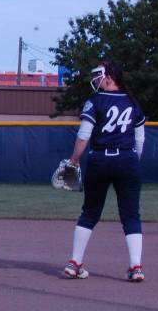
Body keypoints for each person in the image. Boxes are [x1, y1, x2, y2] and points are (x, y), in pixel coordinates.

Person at [62, 61, 146, 282]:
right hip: (128, 159)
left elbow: (84, 135)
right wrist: (132, 162)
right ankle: (135, 267)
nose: (96, 79)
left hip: (100, 159)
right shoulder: (133, 101)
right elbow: (140, 140)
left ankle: (75, 262)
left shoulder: (95, 100)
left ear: (110, 76)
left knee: (89, 212)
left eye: (99, 74)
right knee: (131, 215)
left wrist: (73, 160)